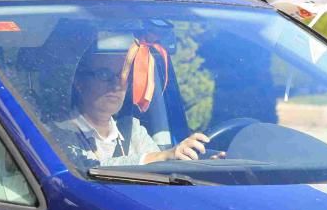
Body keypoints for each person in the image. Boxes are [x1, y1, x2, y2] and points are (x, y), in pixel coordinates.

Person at [57, 41, 213, 167]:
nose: (117, 84)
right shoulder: (58, 135)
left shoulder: (132, 130)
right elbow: (86, 169)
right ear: (79, 82)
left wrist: (205, 164)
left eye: (123, 76)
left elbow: (164, 169)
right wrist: (164, 156)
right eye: (104, 74)